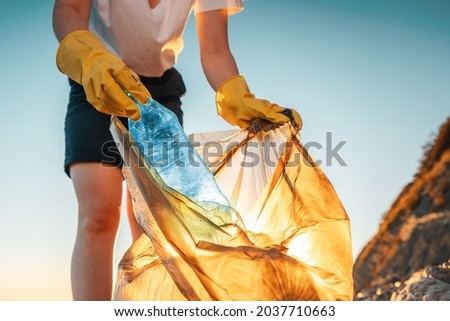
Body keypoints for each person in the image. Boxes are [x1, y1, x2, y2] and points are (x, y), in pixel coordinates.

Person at [52, 0, 302, 301]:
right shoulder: (92, 66)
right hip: (96, 75)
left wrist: (236, 93)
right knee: (99, 214)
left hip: (160, 92)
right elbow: (69, 9)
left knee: (154, 222)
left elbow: (215, 50)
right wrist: (86, 53)